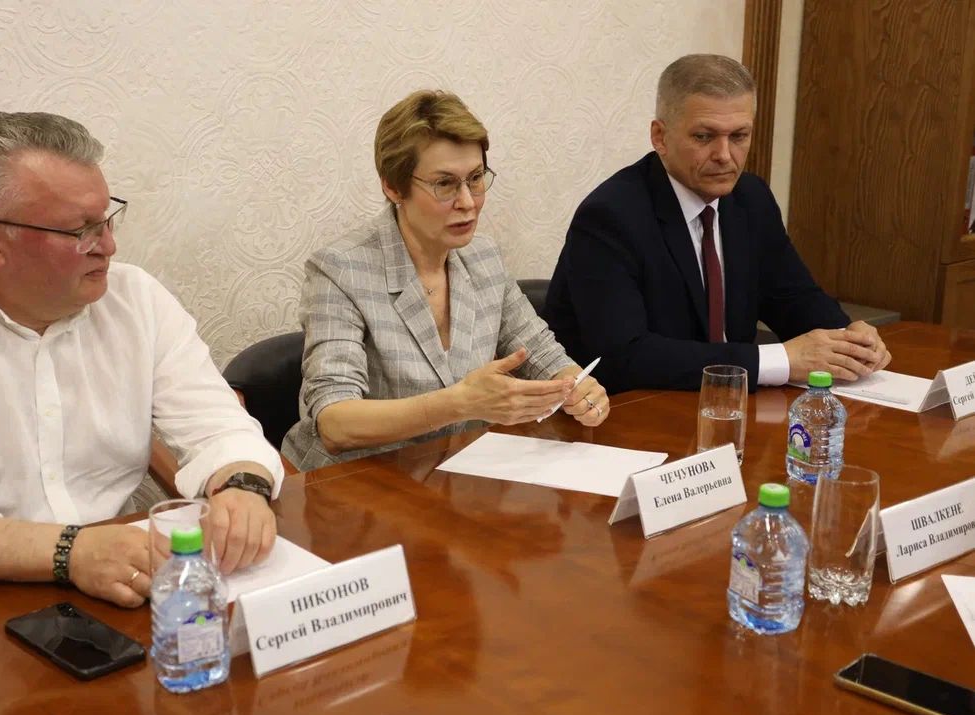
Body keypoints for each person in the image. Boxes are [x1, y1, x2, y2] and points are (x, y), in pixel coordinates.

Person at [0, 112, 282, 607]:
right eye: (81, 230)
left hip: (123, 584)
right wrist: (69, 551)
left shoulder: (136, 299)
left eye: (107, 218)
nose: (109, 246)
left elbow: (217, 425)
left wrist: (241, 486)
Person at [282, 90, 609, 471]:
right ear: (393, 187)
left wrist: (576, 386)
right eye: (445, 184)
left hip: (454, 475)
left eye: (475, 178)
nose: (467, 202)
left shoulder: (483, 257)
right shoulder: (341, 270)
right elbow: (335, 423)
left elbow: (541, 353)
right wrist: (459, 403)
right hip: (354, 481)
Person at [543, 54, 892, 394]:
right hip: (632, 411)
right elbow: (624, 356)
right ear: (660, 137)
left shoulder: (751, 198)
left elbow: (792, 297)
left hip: (729, 406)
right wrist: (780, 359)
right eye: (704, 137)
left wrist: (849, 338)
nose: (724, 155)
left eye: (739, 136)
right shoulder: (610, 216)